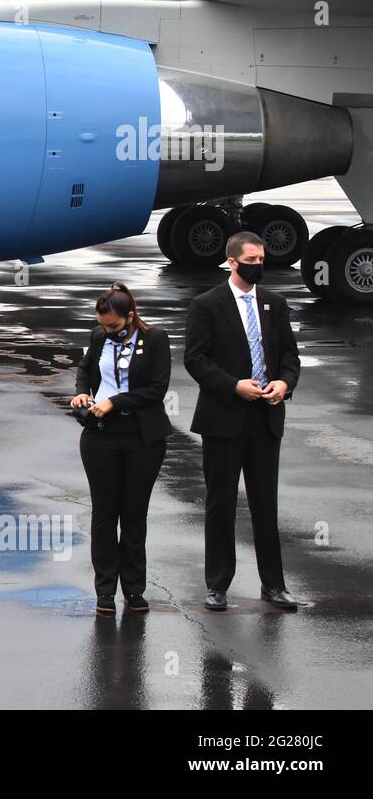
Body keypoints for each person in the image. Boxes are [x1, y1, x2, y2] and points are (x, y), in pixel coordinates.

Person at [185, 231, 301, 612]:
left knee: (265, 503)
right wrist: (234, 386)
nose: (258, 266)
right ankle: (218, 584)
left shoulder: (275, 303)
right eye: (251, 260)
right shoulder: (207, 305)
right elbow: (196, 359)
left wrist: (284, 383)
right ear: (232, 261)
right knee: (221, 504)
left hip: (266, 417)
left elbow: (289, 355)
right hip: (224, 417)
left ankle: (273, 585)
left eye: (261, 259)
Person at [71, 283, 174, 617]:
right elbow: (85, 370)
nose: (107, 331)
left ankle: (134, 589)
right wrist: (83, 393)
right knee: (104, 514)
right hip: (101, 436)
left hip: (142, 436)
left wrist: (115, 402)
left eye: (113, 325)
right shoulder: (99, 337)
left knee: (133, 514)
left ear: (130, 317)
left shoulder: (156, 339)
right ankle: (104, 591)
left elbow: (157, 390)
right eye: (103, 325)